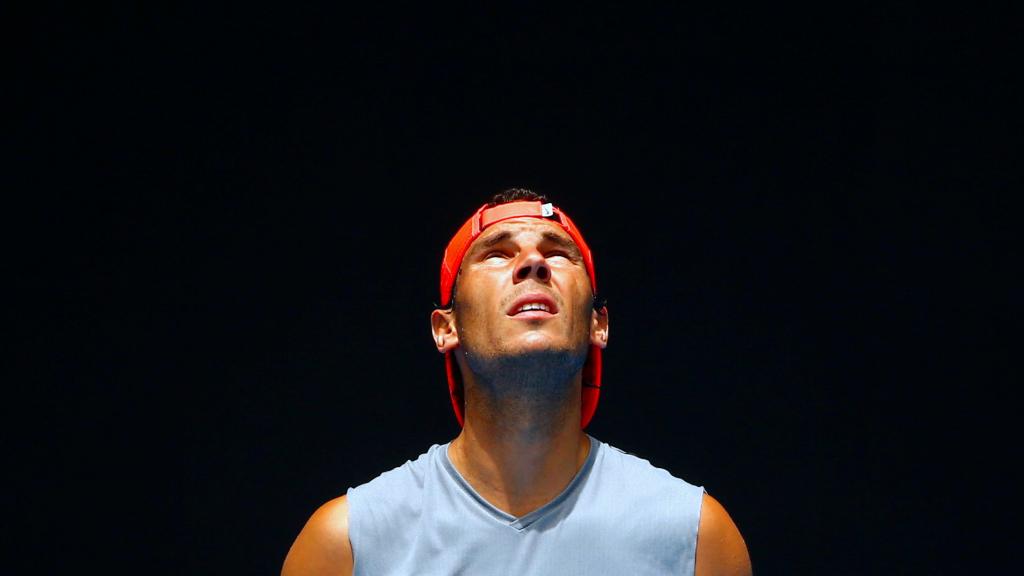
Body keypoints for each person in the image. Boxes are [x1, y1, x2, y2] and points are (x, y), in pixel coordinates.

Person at [281, 188, 752, 575]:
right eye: (497, 253)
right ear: (446, 327)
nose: (533, 263)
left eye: (557, 253)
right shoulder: (345, 546)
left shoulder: (695, 539)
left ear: (598, 324)